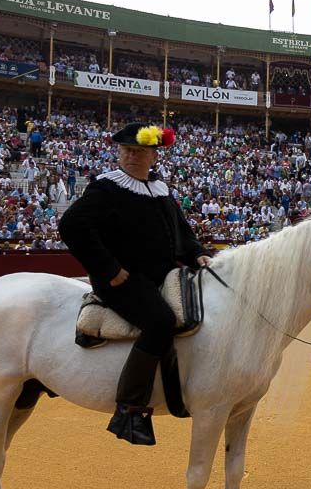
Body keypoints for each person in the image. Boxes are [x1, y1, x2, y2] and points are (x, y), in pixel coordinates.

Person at [58, 122, 212, 446]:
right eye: (126, 150)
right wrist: (108, 267)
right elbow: (71, 225)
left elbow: (181, 232)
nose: (130, 156)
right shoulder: (106, 187)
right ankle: (129, 409)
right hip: (121, 280)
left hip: (161, 275)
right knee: (160, 322)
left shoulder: (160, 188)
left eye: (138, 151)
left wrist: (196, 254)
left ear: (153, 155)